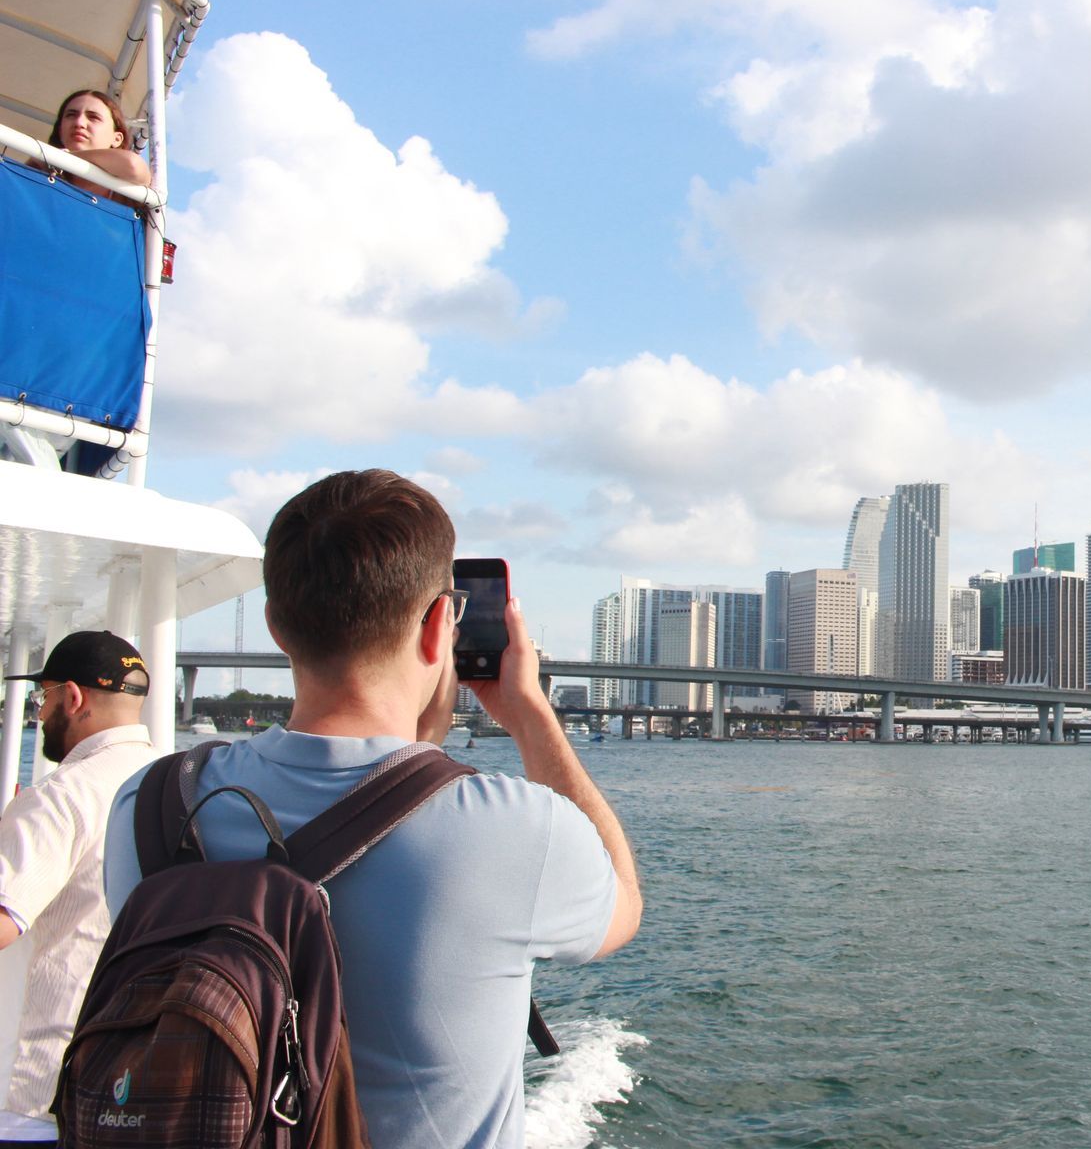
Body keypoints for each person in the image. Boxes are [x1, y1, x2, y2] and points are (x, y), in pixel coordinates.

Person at [102, 470, 643, 1149]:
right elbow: (622, 904)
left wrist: (412, 761)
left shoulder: (146, 807)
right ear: (440, 626)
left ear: (276, 626)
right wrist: (531, 715)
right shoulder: (512, 830)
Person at [0, 632, 156, 1147]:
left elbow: (5, 919)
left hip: (36, 1096)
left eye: (43, 698)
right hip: (136, 1080)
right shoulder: (178, 780)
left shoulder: (61, 796)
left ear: (73, 697)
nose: (40, 713)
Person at [45, 89, 150, 191]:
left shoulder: (123, 194)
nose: (79, 123)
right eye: (71, 115)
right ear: (60, 130)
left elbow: (133, 166)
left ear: (117, 139)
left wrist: (58, 157)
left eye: (93, 117)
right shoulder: (39, 169)